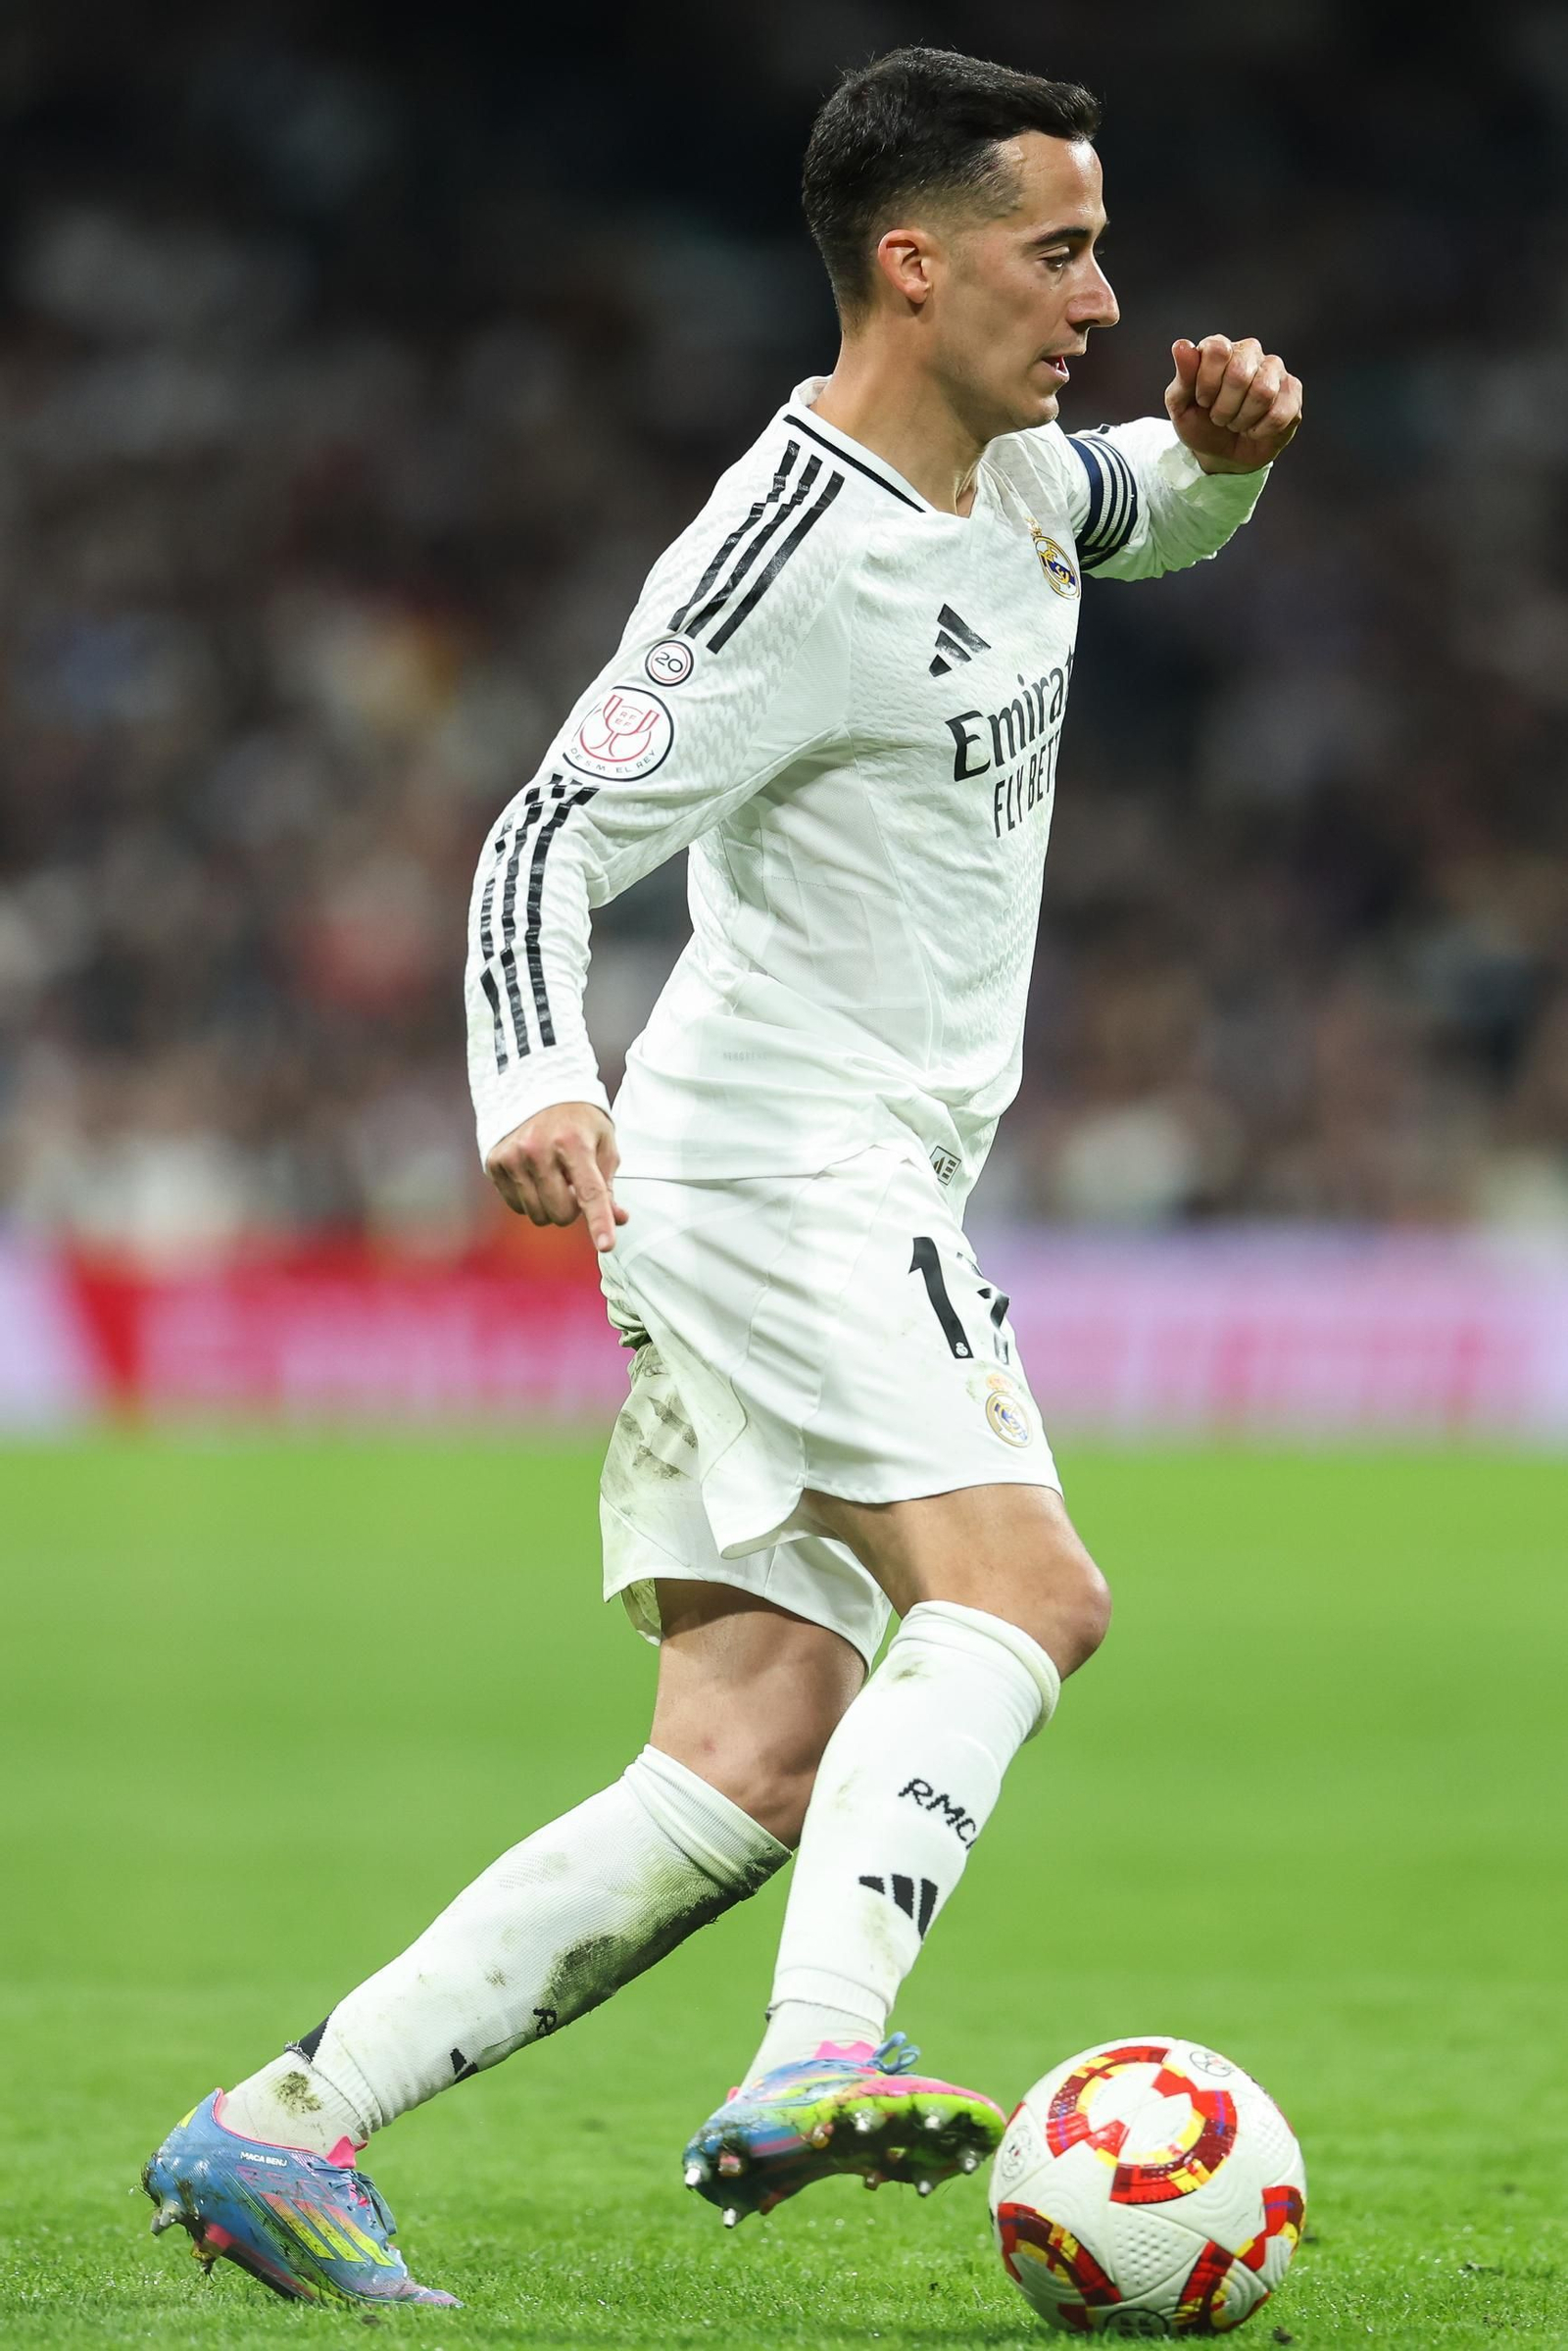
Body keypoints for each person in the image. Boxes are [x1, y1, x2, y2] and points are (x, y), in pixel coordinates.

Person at [143, 45, 1300, 2306]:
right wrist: (522, 1084)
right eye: (1056, 249)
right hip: (777, 1157)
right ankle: (819, 2053)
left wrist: (1227, 462)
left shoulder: (1012, 485)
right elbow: (546, 837)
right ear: (913, 261)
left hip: (833, 1165)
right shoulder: (778, 549)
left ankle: (285, 2127)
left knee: (752, 1755)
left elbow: (1128, 509)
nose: (1096, 294)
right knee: (1025, 1596)